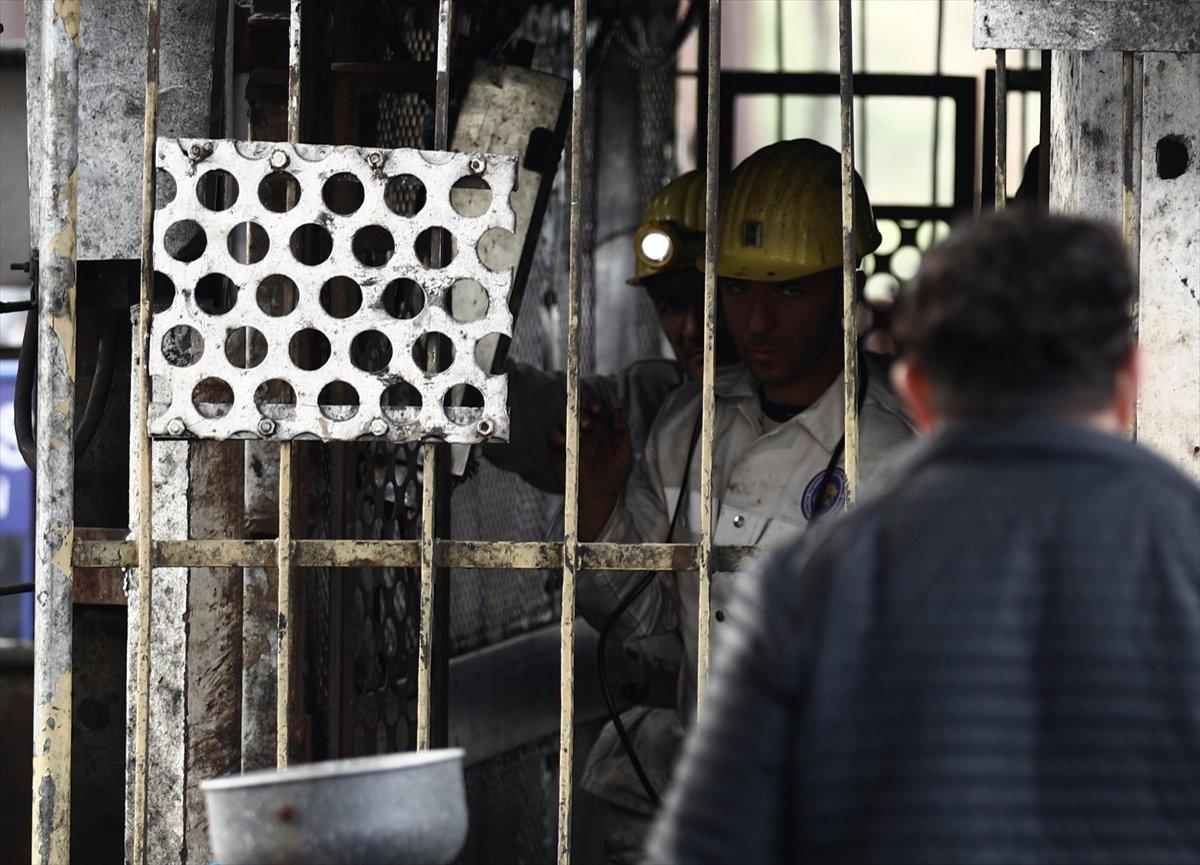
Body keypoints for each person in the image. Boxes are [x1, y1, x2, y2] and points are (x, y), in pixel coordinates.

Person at [646, 211, 1200, 865]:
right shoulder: (1186, 550)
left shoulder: (807, 582)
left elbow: (710, 847)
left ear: (917, 393)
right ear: (1131, 381)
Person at [574, 138, 915, 863]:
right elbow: (638, 615)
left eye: (790, 291)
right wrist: (600, 509)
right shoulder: (686, 424)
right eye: (737, 289)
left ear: (846, 286)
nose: (757, 322)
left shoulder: (906, 454)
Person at [484, 170, 736, 493]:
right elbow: (537, 410)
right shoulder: (658, 401)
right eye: (671, 307)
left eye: (710, 302)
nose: (693, 329)